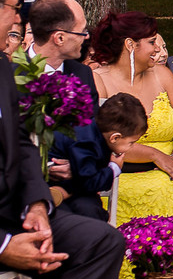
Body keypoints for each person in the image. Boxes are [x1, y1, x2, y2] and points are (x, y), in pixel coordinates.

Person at [0, 0, 125, 279]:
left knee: (98, 236)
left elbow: (89, 142)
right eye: (13, 9)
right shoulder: (14, 73)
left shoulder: (76, 74)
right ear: (57, 37)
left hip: (61, 193)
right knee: (69, 240)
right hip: (12, 211)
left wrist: (41, 201)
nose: (17, 22)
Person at [91, 11, 173, 279]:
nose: (157, 48)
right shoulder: (98, 79)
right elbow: (107, 141)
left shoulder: (162, 75)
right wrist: (153, 154)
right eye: (151, 41)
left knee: (170, 186)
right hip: (123, 176)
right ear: (130, 44)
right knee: (158, 188)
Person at [46, 93, 146, 223]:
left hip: (75, 179)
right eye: (131, 143)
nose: (131, 147)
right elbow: (90, 181)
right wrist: (114, 169)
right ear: (115, 137)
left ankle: (63, 193)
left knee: (92, 209)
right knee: (91, 214)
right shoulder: (86, 144)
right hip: (53, 177)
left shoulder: (94, 130)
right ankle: (61, 192)